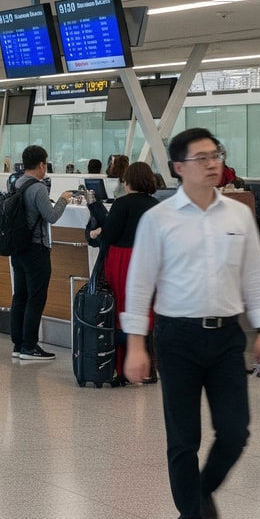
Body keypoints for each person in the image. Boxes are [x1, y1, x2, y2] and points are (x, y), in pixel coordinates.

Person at [121, 128, 260, 519]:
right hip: (177, 338)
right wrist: (136, 344)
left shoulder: (238, 216)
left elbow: (253, 278)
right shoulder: (159, 219)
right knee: (183, 438)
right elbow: (140, 284)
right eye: (202, 157)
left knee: (235, 431)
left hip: (227, 336)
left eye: (216, 155)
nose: (213, 163)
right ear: (178, 167)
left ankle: (203, 491)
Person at [97, 162, 162, 382]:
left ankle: (123, 368)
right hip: (149, 259)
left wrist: (99, 231)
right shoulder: (156, 205)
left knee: (120, 312)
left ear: (128, 181)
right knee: (146, 312)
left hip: (122, 259)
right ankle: (150, 368)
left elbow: (111, 234)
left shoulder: (122, 204)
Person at [8, 145, 73, 361]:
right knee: (36, 298)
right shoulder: (38, 188)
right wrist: (63, 199)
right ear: (42, 164)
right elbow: (52, 216)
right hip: (36, 249)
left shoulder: (16, 183)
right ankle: (29, 346)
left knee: (20, 296)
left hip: (18, 248)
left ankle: (18, 344)